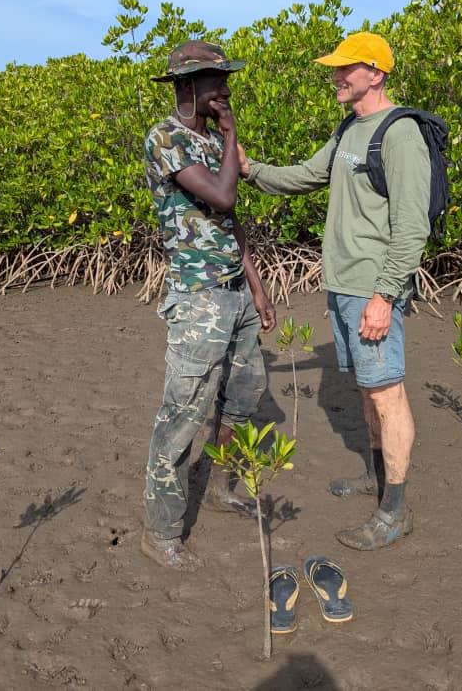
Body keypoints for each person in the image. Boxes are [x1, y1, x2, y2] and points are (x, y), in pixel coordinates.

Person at [239, 32, 430, 551]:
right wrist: (249, 169)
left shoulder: (401, 134)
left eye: (346, 69)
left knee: (387, 393)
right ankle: (376, 478)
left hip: (372, 288)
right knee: (368, 391)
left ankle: (395, 512)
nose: (336, 77)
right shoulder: (350, 129)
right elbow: (305, 176)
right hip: (343, 287)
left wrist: (385, 296)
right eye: (336, 68)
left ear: (377, 72)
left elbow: (412, 227)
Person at [142, 40, 276, 571]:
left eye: (226, 78)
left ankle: (219, 485)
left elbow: (229, 221)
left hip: (234, 291)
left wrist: (258, 287)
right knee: (182, 414)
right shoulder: (165, 139)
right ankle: (161, 533)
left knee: (246, 395)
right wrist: (230, 134)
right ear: (186, 86)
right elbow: (223, 196)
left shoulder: (206, 140)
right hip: (197, 299)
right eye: (215, 80)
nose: (224, 89)